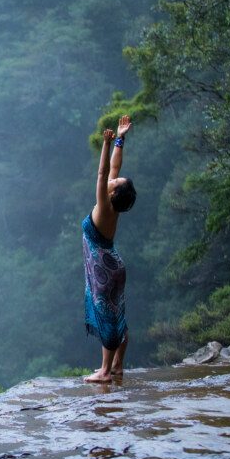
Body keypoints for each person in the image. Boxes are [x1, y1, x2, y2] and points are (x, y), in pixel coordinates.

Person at [82, 115, 136, 383]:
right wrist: (120, 138)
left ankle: (104, 371)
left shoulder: (104, 205)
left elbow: (103, 172)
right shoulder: (112, 204)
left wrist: (105, 143)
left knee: (106, 315)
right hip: (114, 264)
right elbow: (114, 168)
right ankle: (118, 366)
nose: (113, 180)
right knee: (118, 313)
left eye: (117, 183)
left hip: (104, 268)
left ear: (113, 193)